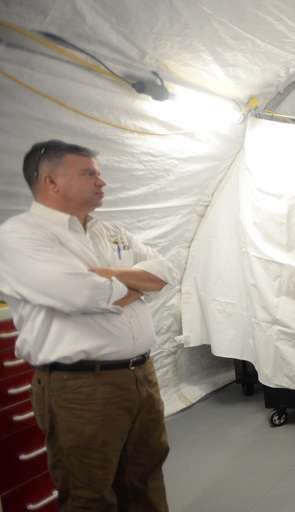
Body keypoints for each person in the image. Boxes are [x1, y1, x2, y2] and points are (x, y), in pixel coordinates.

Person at [0, 140, 177, 511]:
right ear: (51, 181)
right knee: (89, 493)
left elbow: (163, 273)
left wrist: (109, 276)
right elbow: (78, 294)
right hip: (80, 386)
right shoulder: (19, 237)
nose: (103, 182)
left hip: (139, 375)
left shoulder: (108, 231)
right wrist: (133, 285)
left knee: (145, 477)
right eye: (90, 173)